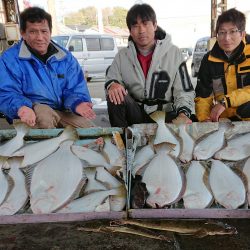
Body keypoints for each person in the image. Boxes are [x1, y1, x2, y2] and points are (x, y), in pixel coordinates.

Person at [0, 7, 96, 128]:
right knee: (44, 115)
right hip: (31, 112)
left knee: (91, 131)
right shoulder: (9, 59)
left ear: (50, 32)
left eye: (44, 31)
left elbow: (75, 88)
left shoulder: (66, 58)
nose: (40, 37)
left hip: (62, 111)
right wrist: (21, 107)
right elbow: (6, 92)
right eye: (33, 32)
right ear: (23, 33)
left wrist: (78, 103)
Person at [105, 4, 195, 127]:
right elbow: (111, 77)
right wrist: (113, 84)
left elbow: (184, 91)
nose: (141, 30)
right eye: (135, 26)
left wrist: (183, 114)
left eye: (145, 23)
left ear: (155, 25)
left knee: (183, 120)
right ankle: (122, 140)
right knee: (114, 94)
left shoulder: (175, 53)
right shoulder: (122, 56)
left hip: (166, 114)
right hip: (136, 113)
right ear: (130, 31)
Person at [195, 8, 250, 122]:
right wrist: (204, 119)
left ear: (242, 34)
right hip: (224, 122)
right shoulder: (209, 60)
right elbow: (203, 96)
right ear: (216, 34)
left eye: (232, 31)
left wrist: (226, 102)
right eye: (222, 32)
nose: (226, 38)